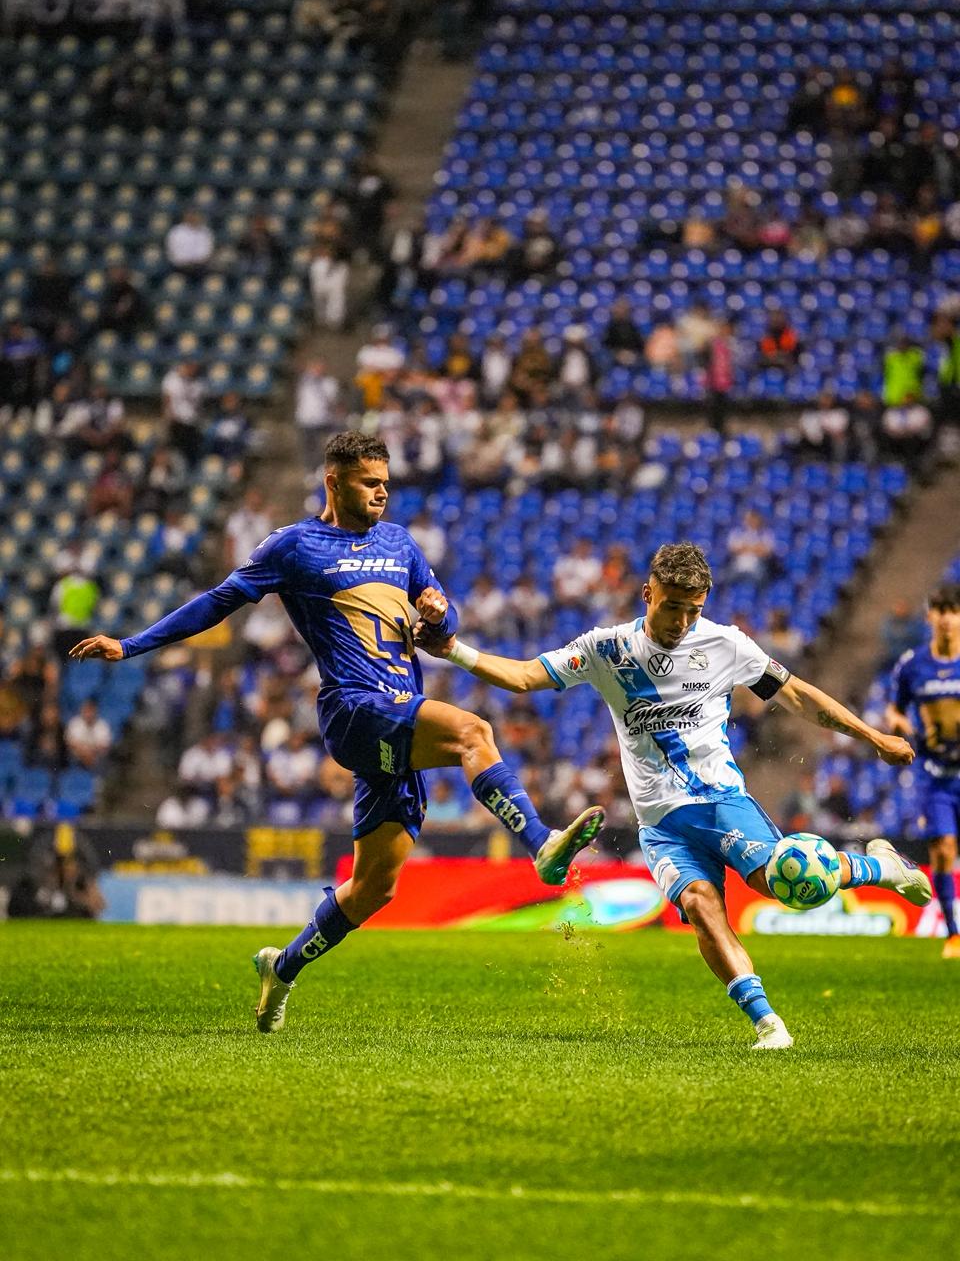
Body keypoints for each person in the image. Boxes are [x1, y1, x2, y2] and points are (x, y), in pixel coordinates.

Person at [69, 431, 604, 1031]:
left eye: (385, 483)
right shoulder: (295, 546)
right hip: (353, 707)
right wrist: (132, 644)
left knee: (374, 888)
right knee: (472, 731)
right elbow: (219, 602)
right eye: (368, 482)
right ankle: (541, 844)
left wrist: (436, 609)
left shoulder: (400, 543)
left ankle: (283, 968)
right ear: (334, 480)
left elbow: (443, 618)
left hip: (398, 713)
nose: (381, 493)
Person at [416, 541, 930, 1050]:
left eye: (694, 610)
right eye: (673, 607)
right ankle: (768, 1024)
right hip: (659, 826)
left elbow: (797, 694)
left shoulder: (726, 645)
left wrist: (873, 738)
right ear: (647, 594)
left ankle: (879, 867)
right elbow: (527, 676)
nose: (682, 621)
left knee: (786, 886)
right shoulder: (606, 648)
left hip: (720, 802)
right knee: (701, 906)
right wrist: (454, 651)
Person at [887, 583, 960, 958]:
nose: (946, 617)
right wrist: (903, 727)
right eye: (940, 609)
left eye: (953, 609)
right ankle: (953, 934)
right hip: (936, 775)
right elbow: (894, 710)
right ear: (930, 615)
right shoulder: (913, 665)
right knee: (944, 850)